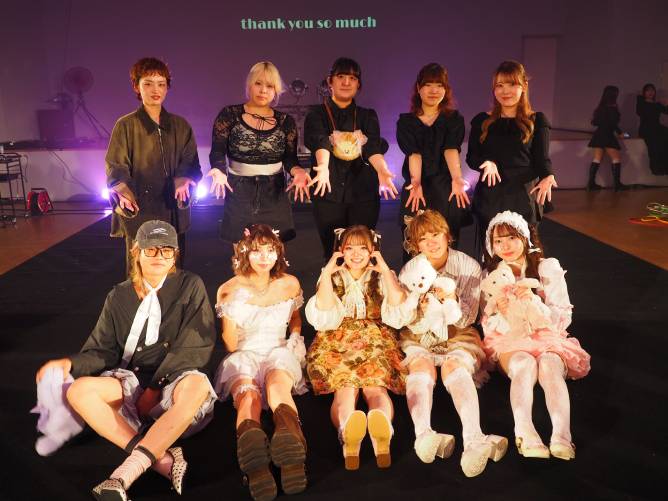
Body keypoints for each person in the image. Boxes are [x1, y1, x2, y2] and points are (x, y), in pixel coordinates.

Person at [33, 220, 217, 500]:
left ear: (175, 255)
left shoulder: (190, 285)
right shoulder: (118, 295)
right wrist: (70, 364)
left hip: (175, 378)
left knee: (198, 386)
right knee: (79, 390)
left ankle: (122, 476)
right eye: (151, 250)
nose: (159, 256)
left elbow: (193, 346)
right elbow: (103, 350)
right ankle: (161, 459)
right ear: (136, 252)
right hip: (132, 379)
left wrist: (156, 387)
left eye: (166, 250)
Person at [400, 209, 507, 477]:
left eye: (435, 234)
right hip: (421, 333)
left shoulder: (468, 266)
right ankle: (423, 435)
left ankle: (474, 439)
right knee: (420, 366)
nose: (431, 243)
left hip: (458, 331)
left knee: (454, 366)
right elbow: (408, 319)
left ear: (447, 235)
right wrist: (423, 310)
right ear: (416, 245)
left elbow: (469, 317)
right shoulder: (411, 270)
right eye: (423, 239)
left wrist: (451, 299)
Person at [480, 211, 590, 460]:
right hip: (509, 339)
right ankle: (524, 432)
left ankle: (562, 436)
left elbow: (563, 313)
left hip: (546, 335)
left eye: (511, 238)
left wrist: (536, 304)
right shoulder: (490, 276)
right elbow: (487, 322)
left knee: (549, 365)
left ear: (525, 237)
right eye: (498, 241)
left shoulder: (545, 267)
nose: (505, 246)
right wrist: (503, 314)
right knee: (524, 364)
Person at [213, 224, 308, 501]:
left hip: (278, 350)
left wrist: (295, 338)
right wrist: (232, 312)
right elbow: (231, 345)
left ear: (278, 253)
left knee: (277, 386)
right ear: (245, 253)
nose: (264, 257)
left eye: (270, 250)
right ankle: (255, 460)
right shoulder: (229, 289)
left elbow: (295, 318)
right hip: (245, 352)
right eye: (257, 251)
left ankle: (291, 450)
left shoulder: (290, 283)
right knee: (248, 396)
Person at [305, 225, 408, 470]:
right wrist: (328, 271)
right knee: (346, 389)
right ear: (340, 250)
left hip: (375, 337)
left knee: (375, 388)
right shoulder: (331, 276)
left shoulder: (383, 275)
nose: (356, 254)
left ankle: (381, 431)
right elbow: (324, 312)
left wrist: (385, 270)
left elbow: (399, 309)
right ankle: (348, 433)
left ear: (373, 250)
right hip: (337, 337)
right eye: (349, 248)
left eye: (363, 248)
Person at [106, 57, 202, 274]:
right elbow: (116, 164)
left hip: (171, 207)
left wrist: (184, 179)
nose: (155, 90)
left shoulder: (180, 126)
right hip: (140, 207)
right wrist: (122, 189)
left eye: (161, 84)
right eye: (148, 83)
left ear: (167, 87)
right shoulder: (126, 125)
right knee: (140, 273)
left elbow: (190, 162)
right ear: (136, 86)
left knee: (173, 270)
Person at [304, 57, 398, 260]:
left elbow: (373, 147)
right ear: (330, 81)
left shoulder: (367, 115)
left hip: (363, 193)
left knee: (363, 250)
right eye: (340, 77)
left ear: (358, 84)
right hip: (328, 192)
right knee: (333, 252)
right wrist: (323, 167)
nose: (346, 82)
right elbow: (320, 141)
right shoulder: (316, 114)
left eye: (352, 78)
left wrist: (382, 170)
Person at [208, 61, 311, 244]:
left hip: (274, 191)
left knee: (274, 253)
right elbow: (217, 151)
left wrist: (299, 172)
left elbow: (290, 159)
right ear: (249, 85)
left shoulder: (285, 121)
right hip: (239, 190)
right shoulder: (230, 115)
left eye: (269, 86)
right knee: (242, 252)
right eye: (258, 83)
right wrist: (219, 170)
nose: (263, 90)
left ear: (276, 90)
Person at [466, 60, 556, 258]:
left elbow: (541, 159)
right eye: (500, 85)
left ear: (524, 86)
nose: (505, 91)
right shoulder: (482, 120)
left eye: (512, 84)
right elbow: (472, 157)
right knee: (492, 253)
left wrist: (548, 175)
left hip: (523, 195)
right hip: (491, 194)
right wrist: (487, 162)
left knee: (525, 254)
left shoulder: (537, 120)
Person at [397, 63, 469, 258]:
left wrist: (457, 178)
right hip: (416, 190)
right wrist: (416, 182)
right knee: (415, 246)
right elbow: (414, 153)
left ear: (446, 90)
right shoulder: (406, 121)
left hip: (446, 189)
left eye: (439, 85)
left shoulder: (453, 119)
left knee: (447, 247)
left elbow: (451, 149)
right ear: (418, 88)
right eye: (428, 85)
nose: (433, 90)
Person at [587, 85, 628, 191]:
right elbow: (613, 124)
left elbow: (595, 122)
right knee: (616, 158)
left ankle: (590, 184)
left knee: (597, 159)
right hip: (607, 135)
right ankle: (617, 185)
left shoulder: (601, 107)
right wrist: (620, 133)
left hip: (598, 135)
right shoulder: (612, 108)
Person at [636, 83, 668, 175]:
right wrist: (640, 98)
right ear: (644, 92)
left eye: (652, 90)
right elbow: (639, 112)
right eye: (648, 90)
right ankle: (656, 168)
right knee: (654, 144)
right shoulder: (641, 103)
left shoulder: (657, 104)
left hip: (657, 127)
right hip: (646, 128)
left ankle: (664, 167)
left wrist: (666, 104)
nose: (650, 92)